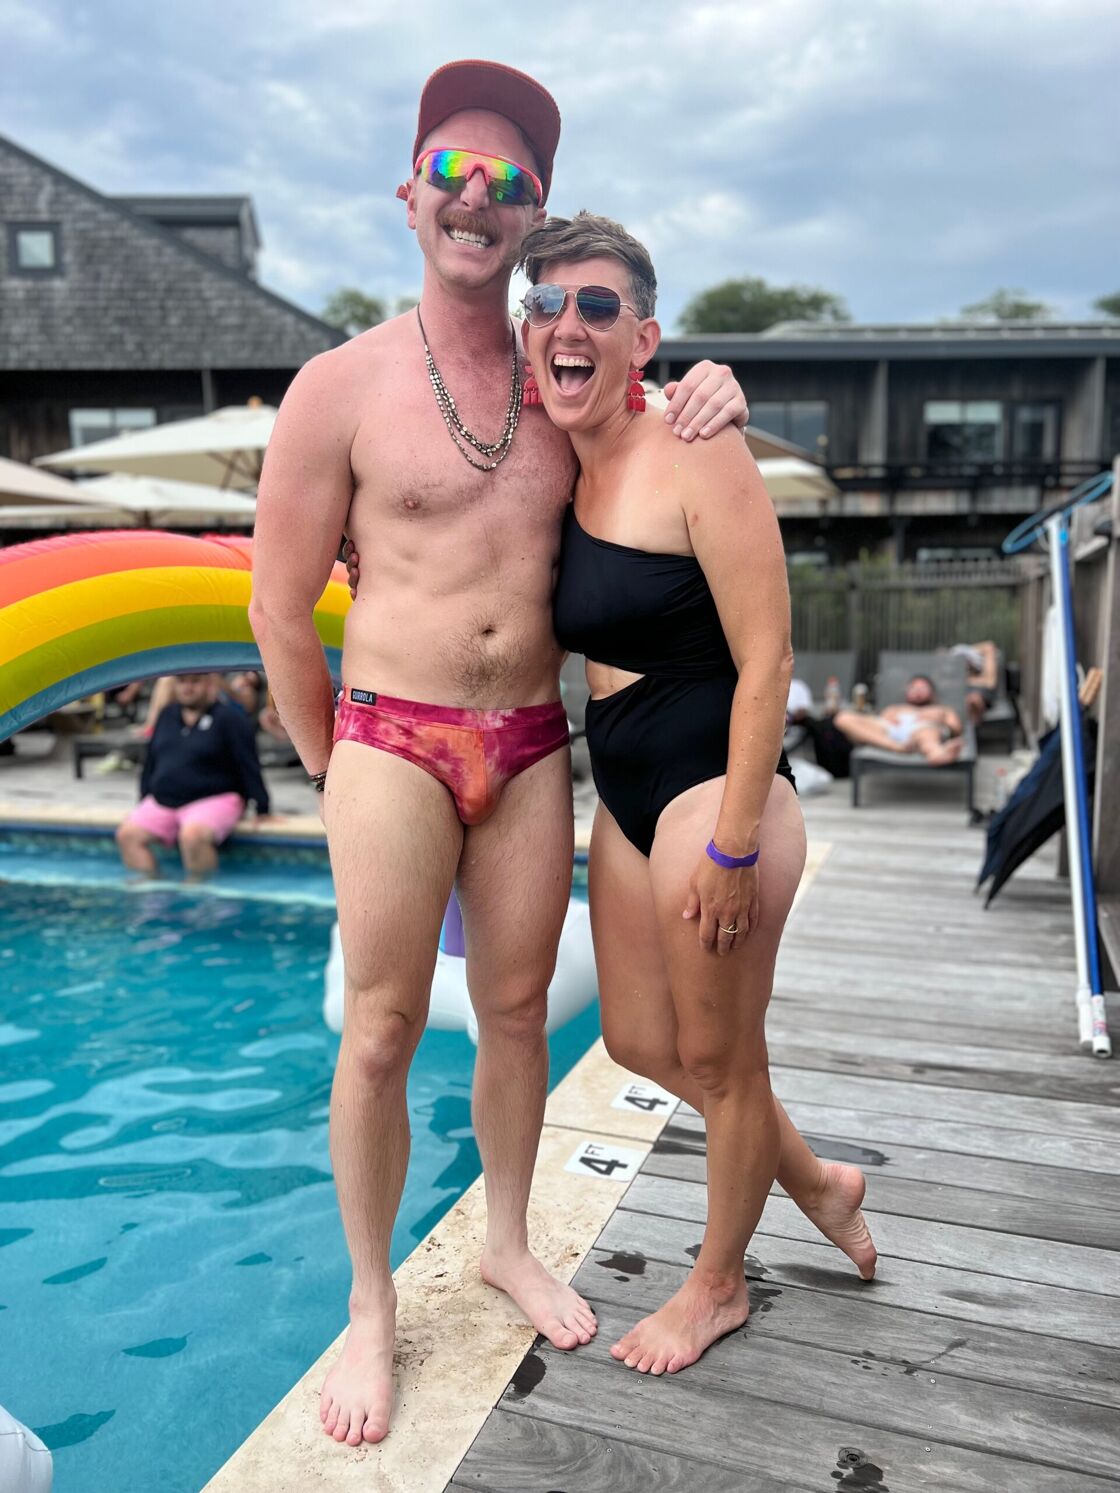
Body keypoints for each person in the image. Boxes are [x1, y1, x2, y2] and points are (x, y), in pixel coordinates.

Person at [249, 59, 758, 1449]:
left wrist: (719, 384)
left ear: (531, 215)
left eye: (507, 180)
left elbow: (665, 431)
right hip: (391, 738)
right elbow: (278, 607)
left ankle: (508, 1240)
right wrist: (330, 767)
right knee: (382, 1025)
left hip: (532, 742)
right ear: (410, 194)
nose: (476, 196)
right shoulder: (339, 387)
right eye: (451, 170)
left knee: (520, 1011)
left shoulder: (566, 383)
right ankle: (370, 1302)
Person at [509, 211, 875, 1378]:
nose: (568, 323)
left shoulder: (695, 441)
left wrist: (731, 843)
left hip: (714, 780)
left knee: (722, 1059)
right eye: (547, 302)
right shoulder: (555, 450)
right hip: (621, 776)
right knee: (633, 1037)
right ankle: (815, 1178)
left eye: (597, 305)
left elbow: (770, 656)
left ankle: (719, 1283)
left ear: (644, 336)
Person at [115, 673, 271, 878]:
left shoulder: (230, 719)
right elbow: (151, 760)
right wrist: (144, 797)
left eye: (195, 682)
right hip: (165, 800)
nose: (187, 688)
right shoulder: (167, 715)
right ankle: (149, 887)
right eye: (182, 682)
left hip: (215, 799)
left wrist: (262, 807)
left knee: (192, 836)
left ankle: (199, 891)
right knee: (127, 835)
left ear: (210, 684)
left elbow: (248, 763)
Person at [833, 674, 964, 766]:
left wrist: (937, 721)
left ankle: (937, 754)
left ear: (932, 693)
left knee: (926, 734)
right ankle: (898, 748)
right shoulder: (895, 708)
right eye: (913, 688)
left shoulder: (942, 709)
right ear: (907, 692)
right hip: (890, 734)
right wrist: (888, 719)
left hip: (923, 729)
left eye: (923, 688)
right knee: (843, 718)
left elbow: (956, 729)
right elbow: (877, 722)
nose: (918, 691)